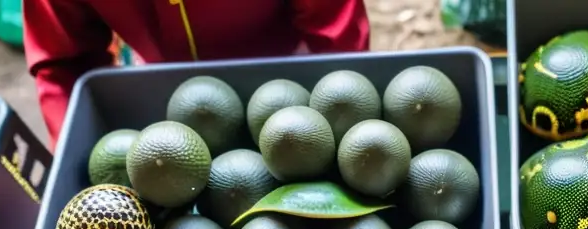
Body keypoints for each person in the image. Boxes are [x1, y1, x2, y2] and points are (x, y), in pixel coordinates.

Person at [24, 0, 371, 147]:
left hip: (292, 78)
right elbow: (64, 62)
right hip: (157, 88)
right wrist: (78, 162)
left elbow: (337, 38)